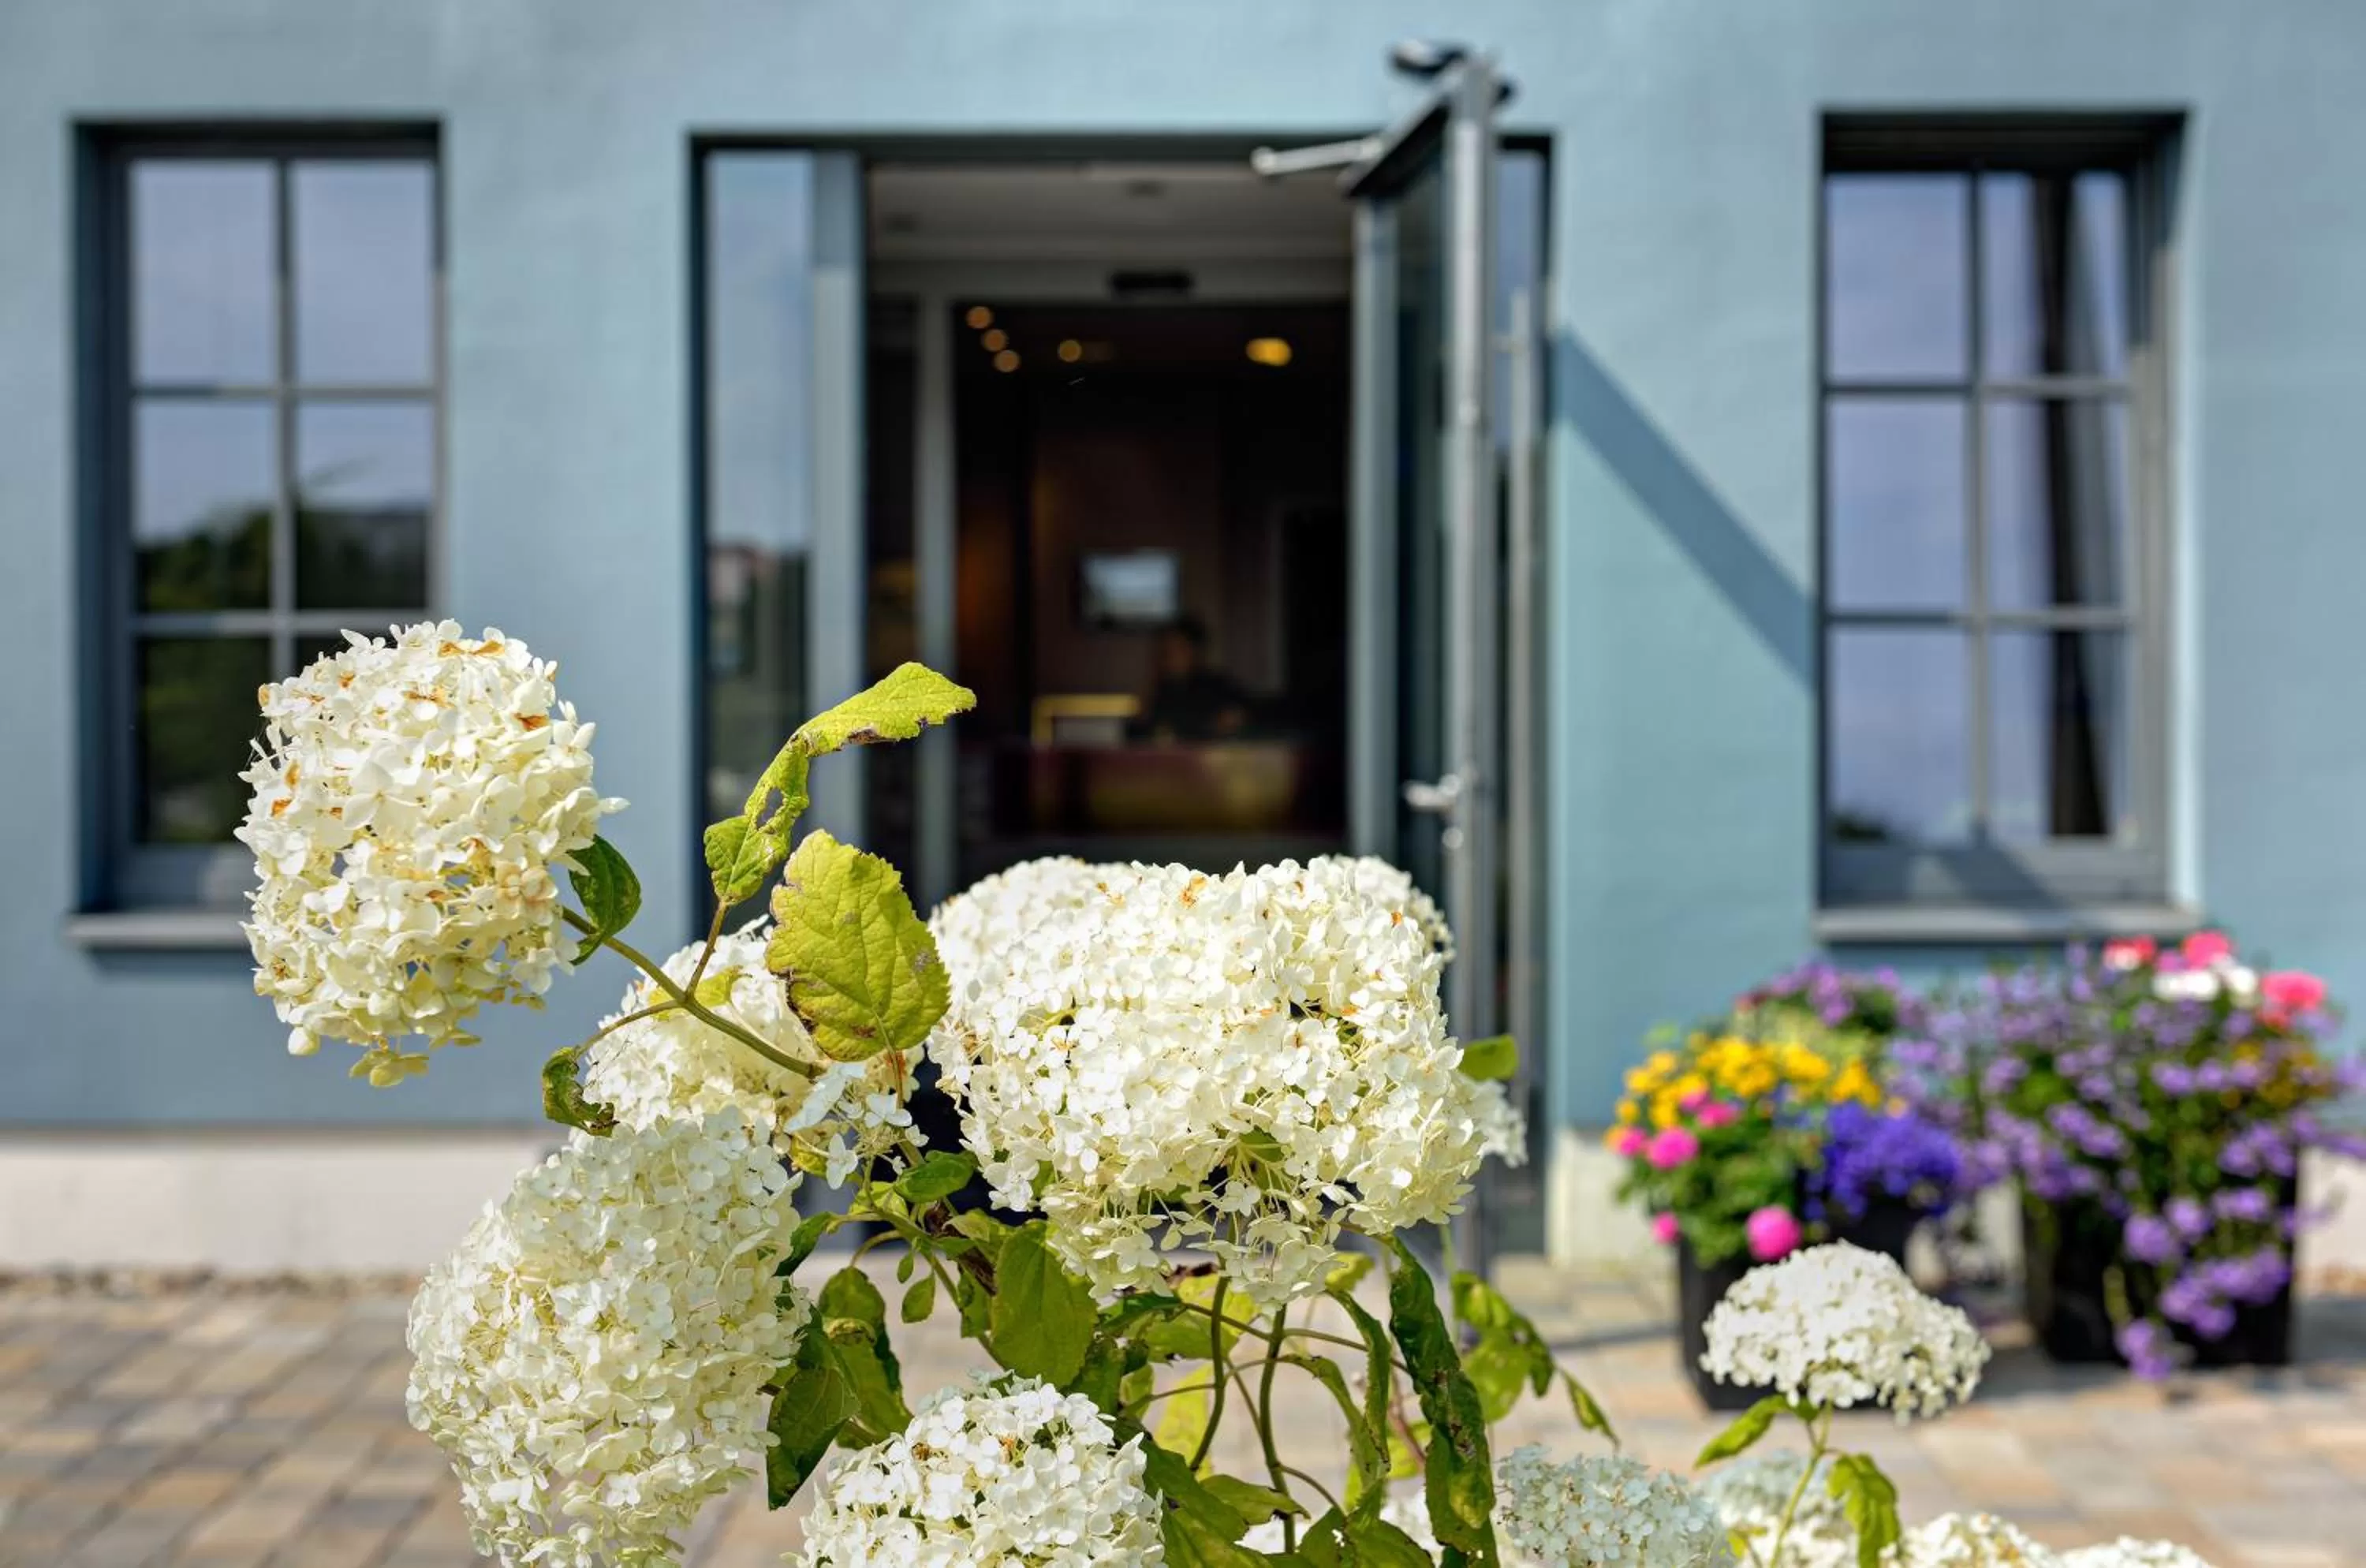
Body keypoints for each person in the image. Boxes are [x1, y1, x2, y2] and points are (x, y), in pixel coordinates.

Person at [1135, 617, 1250, 742]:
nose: (1170, 656)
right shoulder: (1160, 690)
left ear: (1196, 651)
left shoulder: (1218, 685)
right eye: (1165, 650)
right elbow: (1142, 734)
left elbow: (1247, 714)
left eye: (1178, 648)